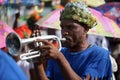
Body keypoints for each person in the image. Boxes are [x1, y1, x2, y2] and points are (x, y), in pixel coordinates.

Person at [34, 1, 112, 80]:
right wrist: (37, 62)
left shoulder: (100, 54)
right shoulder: (59, 52)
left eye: (70, 27)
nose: (64, 32)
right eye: (62, 27)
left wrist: (60, 58)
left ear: (85, 29)